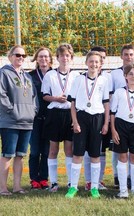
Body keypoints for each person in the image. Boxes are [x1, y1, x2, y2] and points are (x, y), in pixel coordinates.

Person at [65, 51, 109, 198]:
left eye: (96, 62)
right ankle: (74, 187)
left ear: (100, 64)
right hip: (82, 117)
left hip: (97, 118)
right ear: (86, 63)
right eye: (91, 61)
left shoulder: (103, 80)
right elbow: (72, 103)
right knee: (77, 154)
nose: (94, 64)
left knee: (95, 154)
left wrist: (106, 124)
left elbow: (106, 103)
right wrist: (75, 122)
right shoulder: (78, 79)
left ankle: (94, 187)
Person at [41, 43, 79, 192]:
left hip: (70, 114)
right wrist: (56, 98)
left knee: (69, 150)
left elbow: (77, 98)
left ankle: (70, 182)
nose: (65, 58)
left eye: (67, 55)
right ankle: (54, 183)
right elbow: (44, 96)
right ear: (57, 58)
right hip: (54, 114)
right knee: (53, 150)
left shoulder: (76, 76)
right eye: (62, 55)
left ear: (71, 58)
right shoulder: (50, 75)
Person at [0, 45, 37, 195]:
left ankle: (17, 187)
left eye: (23, 55)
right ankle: (3, 188)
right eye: (17, 55)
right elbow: (1, 95)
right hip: (10, 121)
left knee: (20, 155)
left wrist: (33, 111)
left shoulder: (27, 76)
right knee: (7, 155)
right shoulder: (3, 73)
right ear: (10, 56)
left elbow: (34, 97)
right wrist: (12, 110)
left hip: (27, 122)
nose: (21, 57)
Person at [110, 63, 134, 198]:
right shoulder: (119, 92)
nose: (133, 76)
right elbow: (112, 113)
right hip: (121, 126)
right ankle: (123, 189)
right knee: (123, 156)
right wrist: (113, 130)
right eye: (130, 74)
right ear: (125, 76)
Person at [83, 46, 111, 191]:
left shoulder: (107, 77)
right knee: (88, 150)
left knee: (101, 151)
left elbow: (108, 99)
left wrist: (107, 120)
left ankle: (98, 180)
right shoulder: (82, 77)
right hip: (86, 118)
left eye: (103, 58)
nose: (99, 61)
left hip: (101, 119)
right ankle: (89, 181)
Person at [110, 44, 134, 189]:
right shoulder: (114, 74)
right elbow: (110, 94)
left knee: (132, 151)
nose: (128, 57)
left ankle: (130, 178)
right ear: (121, 56)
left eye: (131, 54)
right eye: (126, 54)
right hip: (118, 118)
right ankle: (117, 176)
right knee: (118, 149)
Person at [29, 47, 53, 190]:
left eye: (46, 57)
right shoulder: (30, 76)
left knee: (46, 151)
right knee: (34, 150)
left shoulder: (56, 75)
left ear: (51, 59)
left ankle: (44, 178)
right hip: (34, 118)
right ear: (36, 59)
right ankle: (34, 179)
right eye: (41, 57)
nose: (43, 59)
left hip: (50, 119)